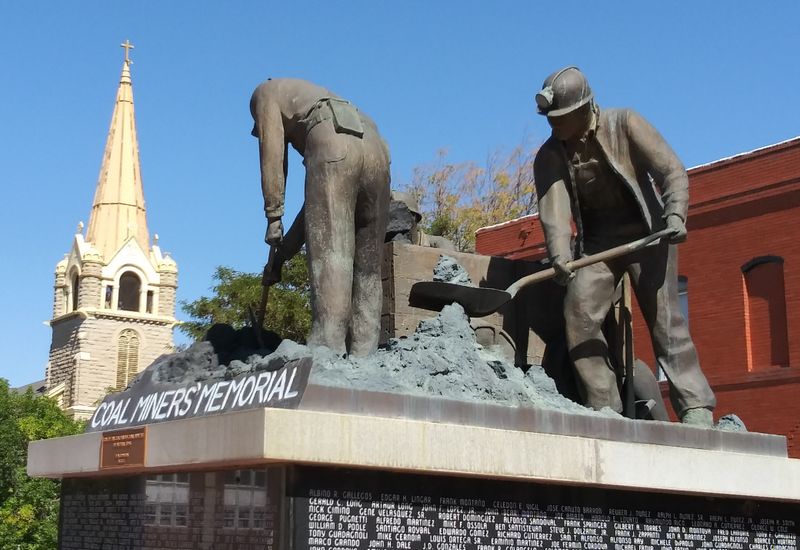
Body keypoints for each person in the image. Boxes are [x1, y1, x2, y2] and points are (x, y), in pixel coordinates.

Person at [532, 67, 716, 426]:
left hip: (648, 235)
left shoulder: (626, 124)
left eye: (559, 118)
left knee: (665, 322)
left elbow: (672, 171)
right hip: (598, 247)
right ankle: (605, 409)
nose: (552, 126)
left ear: (582, 109)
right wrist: (561, 256)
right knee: (579, 315)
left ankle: (695, 405)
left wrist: (675, 214)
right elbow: (554, 212)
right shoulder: (550, 156)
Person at [250, 78, 390, 357]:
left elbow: (273, 154)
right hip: (379, 152)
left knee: (332, 256)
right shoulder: (323, 99)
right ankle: (365, 356)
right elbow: (314, 216)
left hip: (332, 147)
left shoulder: (264, 93)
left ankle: (327, 348)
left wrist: (273, 214)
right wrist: (282, 257)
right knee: (369, 268)